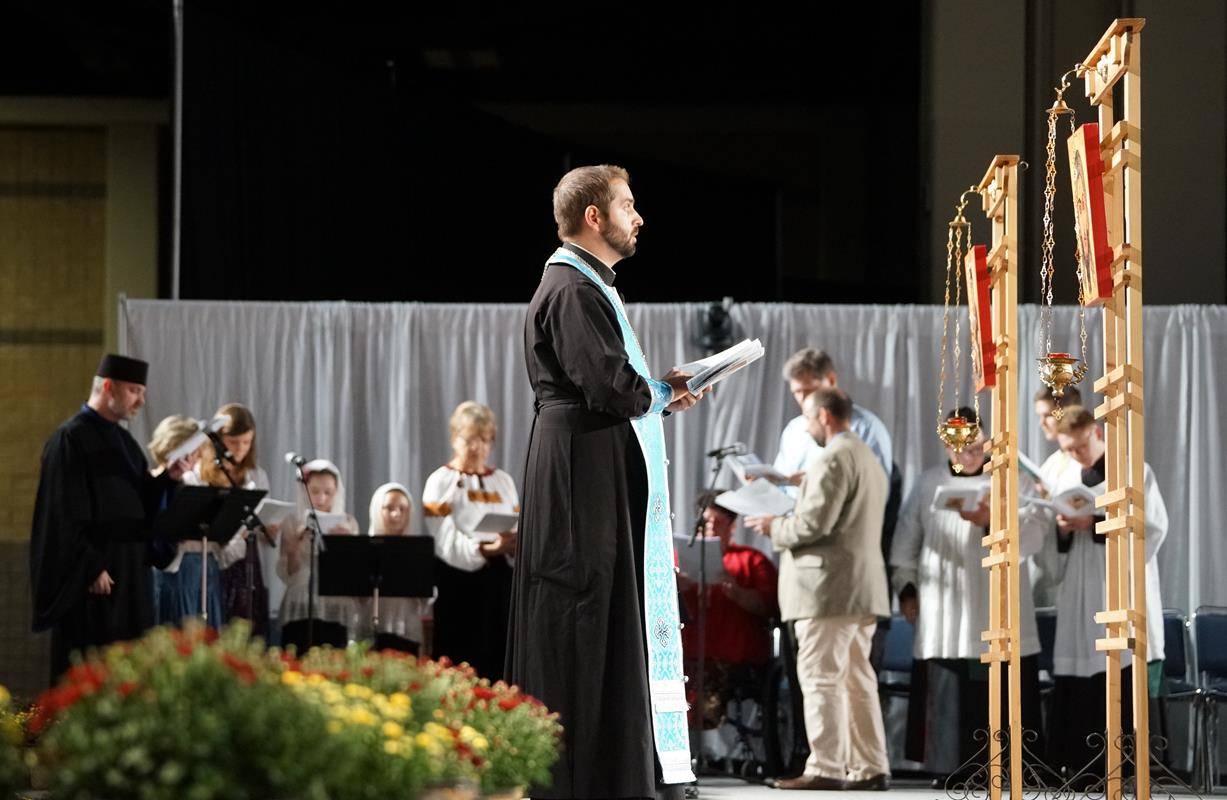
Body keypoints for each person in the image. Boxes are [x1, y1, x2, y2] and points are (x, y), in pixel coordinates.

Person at [506, 164, 705, 800]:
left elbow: (614, 388)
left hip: (590, 461)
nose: (638, 217)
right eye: (627, 205)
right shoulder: (570, 287)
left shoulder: (589, 286)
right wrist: (663, 391)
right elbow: (607, 385)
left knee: (609, 608)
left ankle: (623, 770)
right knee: (584, 609)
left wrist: (661, 397)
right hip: (578, 472)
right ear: (594, 216)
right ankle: (590, 777)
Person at [746, 387, 889, 791]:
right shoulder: (865, 456)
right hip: (861, 587)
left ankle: (826, 767)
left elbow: (812, 526)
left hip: (826, 589)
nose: (806, 426)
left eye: (807, 418)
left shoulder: (830, 458)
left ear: (825, 416)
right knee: (858, 680)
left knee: (821, 678)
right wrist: (800, 482)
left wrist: (773, 525)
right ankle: (870, 766)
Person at [889, 408, 1044, 778]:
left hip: (997, 604)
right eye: (958, 450)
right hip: (945, 609)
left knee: (1000, 684)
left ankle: (1008, 767)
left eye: (973, 448)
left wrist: (991, 520)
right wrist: (907, 590)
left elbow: (1037, 531)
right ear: (946, 445)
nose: (966, 457)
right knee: (949, 692)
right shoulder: (928, 483)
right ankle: (950, 767)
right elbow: (905, 542)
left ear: (985, 441)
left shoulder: (1012, 481)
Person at [1028, 406, 1168, 778]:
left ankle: (1124, 767)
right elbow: (1050, 551)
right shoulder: (1068, 477)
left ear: (1097, 432)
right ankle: (1076, 764)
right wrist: (1062, 527)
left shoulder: (1133, 472)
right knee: (1079, 668)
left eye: (1081, 446)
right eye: (1068, 449)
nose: (1076, 455)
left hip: (1118, 584)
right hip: (1079, 586)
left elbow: (1152, 529)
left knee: (1119, 665)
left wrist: (1094, 523)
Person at [30, 354, 190, 679]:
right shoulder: (70, 439)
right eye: (134, 391)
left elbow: (139, 499)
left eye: (142, 393)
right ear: (108, 387)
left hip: (131, 574)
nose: (141, 400)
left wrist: (167, 479)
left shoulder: (124, 441)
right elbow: (63, 511)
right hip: (97, 581)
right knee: (91, 666)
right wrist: (90, 565)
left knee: (129, 666)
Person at [422, 402, 519, 682]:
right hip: (457, 581)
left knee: (497, 657)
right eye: (469, 439)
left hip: (498, 581)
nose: (477, 447)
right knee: (458, 659)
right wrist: (483, 549)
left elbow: (514, 523)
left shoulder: (502, 481)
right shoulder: (441, 481)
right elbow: (442, 535)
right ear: (455, 438)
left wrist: (510, 544)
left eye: (485, 440)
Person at [678, 492, 777, 752]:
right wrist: (678, 585)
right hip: (686, 657)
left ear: (732, 526)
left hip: (733, 660)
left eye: (717, 521)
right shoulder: (679, 560)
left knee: (707, 680)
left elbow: (770, 607)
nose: (710, 526)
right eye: (705, 521)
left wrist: (738, 593)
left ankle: (707, 752)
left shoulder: (751, 560)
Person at [186, 403, 277, 635]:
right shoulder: (199, 473)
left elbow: (262, 517)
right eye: (234, 442)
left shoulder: (255, 475)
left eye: (246, 443)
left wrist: (269, 529)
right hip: (212, 557)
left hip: (246, 560)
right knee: (216, 622)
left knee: (248, 624)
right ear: (217, 440)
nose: (240, 449)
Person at [771, 347, 892, 489]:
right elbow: (780, 483)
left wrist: (814, 484)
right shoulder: (793, 429)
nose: (803, 399)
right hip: (785, 510)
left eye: (809, 390)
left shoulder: (867, 428)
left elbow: (875, 491)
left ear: (831, 380)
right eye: (797, 392)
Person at [278, 459, 360, 636]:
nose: (321, 498)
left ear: (336, 492)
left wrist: (346, 546)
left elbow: (353, 573)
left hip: (335, 603)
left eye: (328, 492)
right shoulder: (292, 522)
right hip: (301, 600)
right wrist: (293, 549)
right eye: (314, 491)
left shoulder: (348, 523)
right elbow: (288, 573)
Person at [144, 415, 207, 626]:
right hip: (158, 575)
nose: (194, 459)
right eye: (190, 452)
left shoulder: (185, 483)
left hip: (189, 574)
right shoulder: (150, 483)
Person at [358, 482, 432, 653]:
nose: (396, 514)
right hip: (373, 627)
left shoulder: (419, 550)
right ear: (377, 510)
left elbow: (425, 597)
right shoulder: (364, 549)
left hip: (406, 629)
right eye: (388, 508)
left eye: (402, 508)